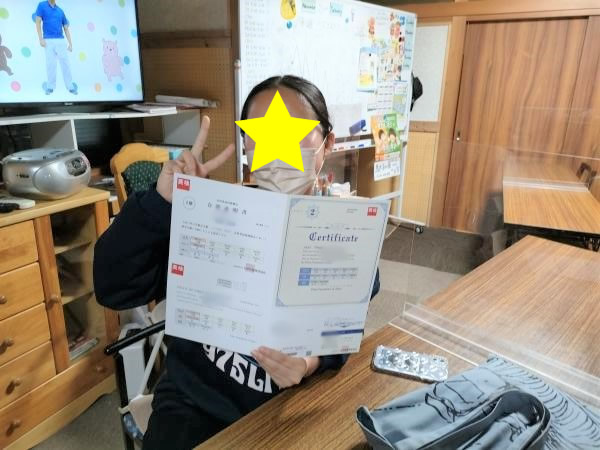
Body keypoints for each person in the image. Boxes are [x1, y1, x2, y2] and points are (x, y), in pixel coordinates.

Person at [94, 75, 380, 449]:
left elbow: (341, 330)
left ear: (328, 142)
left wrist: (309, 362)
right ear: (246, 144)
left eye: (294, 132)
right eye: (261, 134)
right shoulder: (209, 217)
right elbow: (113, 286)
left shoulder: (348, 235)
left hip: (289, 411)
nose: (277, 150)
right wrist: (161, 203)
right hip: (193, 408)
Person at [35, 0, 77, 95]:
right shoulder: (42, 5)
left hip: (60, 41)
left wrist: (70, 44)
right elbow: (38, 22)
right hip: (48, 41)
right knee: (50, 64)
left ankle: (70, 86)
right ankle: (50, 87)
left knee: (65, 63)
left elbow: (66, 28)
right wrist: (40, 39)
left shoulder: (60, 11)